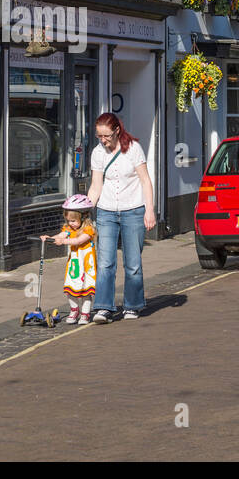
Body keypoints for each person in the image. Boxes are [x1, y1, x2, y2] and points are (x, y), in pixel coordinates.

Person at [87, 113, 155, 322]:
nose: (102, 140)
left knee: (132, 263)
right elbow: (96, 185)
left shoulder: (133, 149)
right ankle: (103, 307)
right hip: (106, 211)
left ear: (117, 131)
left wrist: (149, 210)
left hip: (133, 210)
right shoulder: (98, 153)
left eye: (106, 136)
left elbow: (145, 181)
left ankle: (132, 305)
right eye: (99, 136)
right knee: (105, 261)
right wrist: (84, 210)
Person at [42, 194, 97, 324]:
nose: (70, 224)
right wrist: (50, 238)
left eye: (73, 221)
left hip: (86, 265)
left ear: (83, 217)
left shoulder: (88, 230)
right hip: (75, 265)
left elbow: (78, 240)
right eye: (68, 221)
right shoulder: (68, 228)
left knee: (85, 291)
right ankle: (74, 310)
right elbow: (61, 235)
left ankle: (85, 314)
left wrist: (63, 241)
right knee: (70, 289)